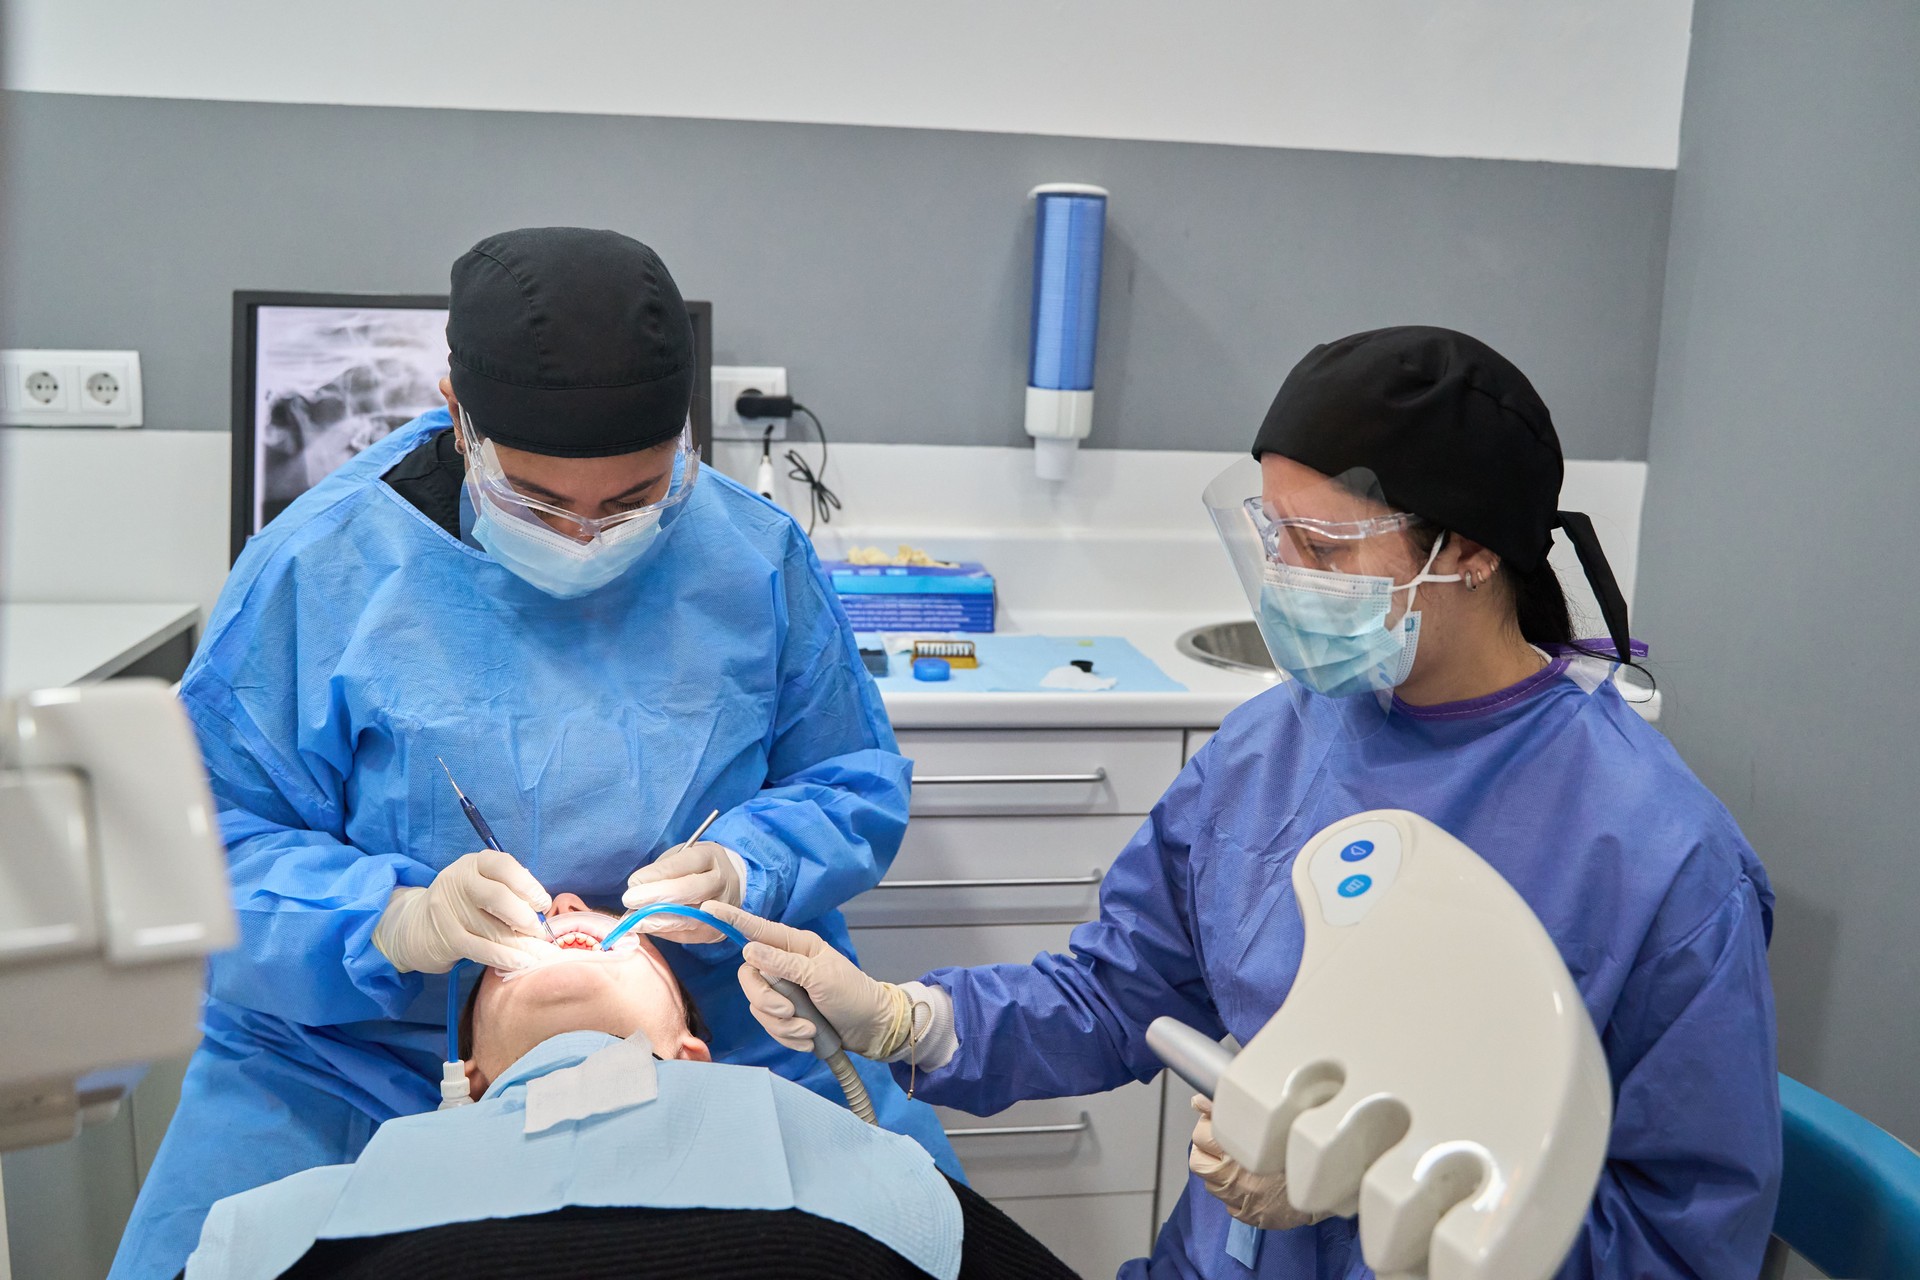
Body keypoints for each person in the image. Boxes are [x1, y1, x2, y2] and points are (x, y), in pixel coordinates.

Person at [712, 327, 1782, 1278]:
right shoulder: (1273, 745)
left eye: (1322, 549)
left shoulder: (1659, 854)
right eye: (1273, 538)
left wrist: (1369, 1189)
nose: (1286, 582)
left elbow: (1683, 1238)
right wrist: (909, 1018)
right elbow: (1124, 992)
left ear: (1469, 550)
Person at [111, 226, 953, 1280]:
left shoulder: (752, 556)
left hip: (734, 1035)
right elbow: (199, 850)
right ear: (457, 414)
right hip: (350, 1061)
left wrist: (754, 862)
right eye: (540, 500)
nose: (591, 535)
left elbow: (851, 778)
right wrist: (390, 920)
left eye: (638, 498)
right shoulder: (320, 570)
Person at [183, 894, 1075, 1280]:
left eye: (622, 937)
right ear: (472, 1082)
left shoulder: (869, 1168)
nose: (568, 913)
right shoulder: (297, 1220)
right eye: (508, 957)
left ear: (691, 1050)